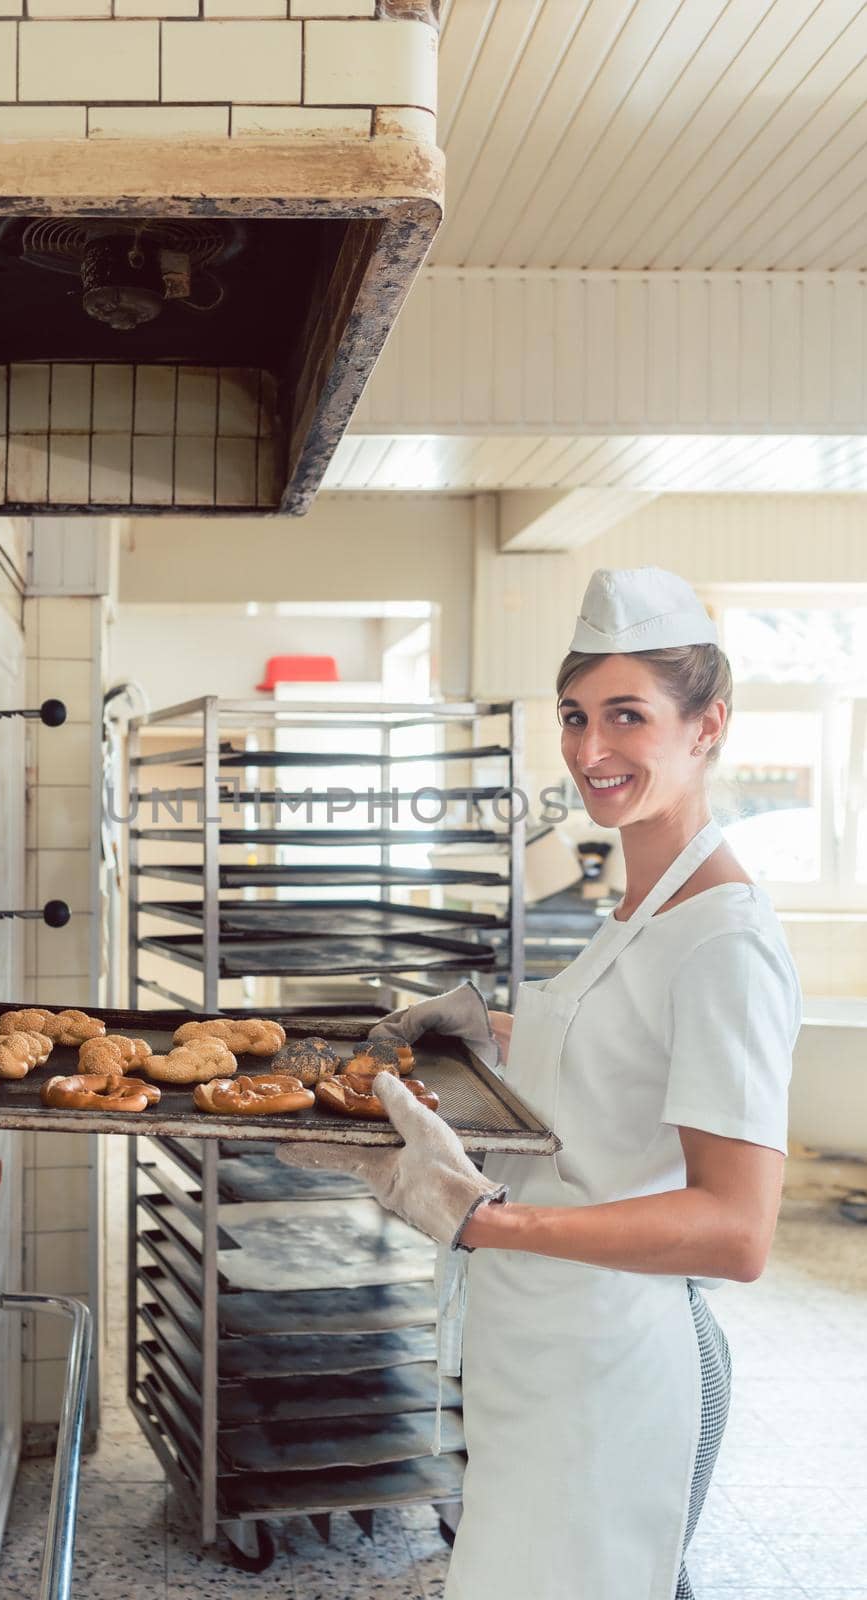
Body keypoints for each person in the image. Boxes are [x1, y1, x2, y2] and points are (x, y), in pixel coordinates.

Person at [282, 565, 802, 1600]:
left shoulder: (723, 939)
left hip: (610, 1368)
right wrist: (478, 1036)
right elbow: (621, 1064)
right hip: (541, 1352)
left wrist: (485, 1219)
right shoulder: (641, 907)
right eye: (573, 715)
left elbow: (735, 1230)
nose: (589, 750)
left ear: (706, 727)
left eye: (626, 716)